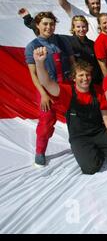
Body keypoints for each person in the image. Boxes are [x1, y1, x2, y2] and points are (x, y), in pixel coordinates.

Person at [33, 47, 107, 174]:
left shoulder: (98, 91)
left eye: (87, 74)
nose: (85, 78)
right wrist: (39, 63)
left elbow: (106, 116)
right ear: (74, 78)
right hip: (80, 137)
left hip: (99, 132)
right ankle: (92, 152)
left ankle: (100, 148)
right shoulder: (67, 91)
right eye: (81, 75)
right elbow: (46, 82)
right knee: (91, 168)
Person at [24, 12, 75, 168]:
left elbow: (73, 62)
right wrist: (43, 94)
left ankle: (80, 144)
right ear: (37, 25)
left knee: (76, 117)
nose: (49, 27)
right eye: (45, 24)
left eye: (51, 24)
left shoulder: (62, 40)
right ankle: (40, 151)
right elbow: (33, 74)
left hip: (66, 87)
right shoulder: (32, 46)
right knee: (46, 121)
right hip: (46, 90)